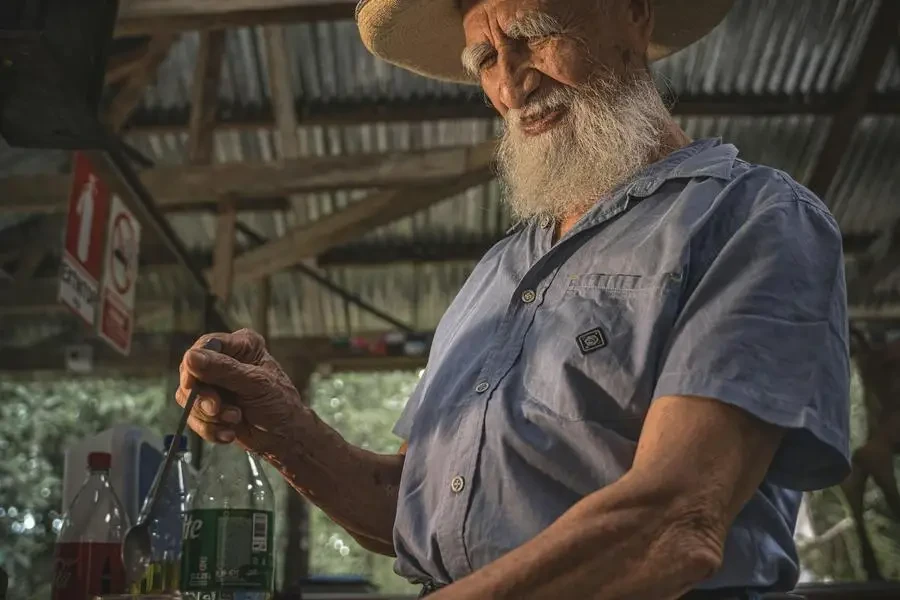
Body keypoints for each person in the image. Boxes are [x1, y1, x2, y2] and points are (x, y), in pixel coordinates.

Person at [176, 0, 851, 598]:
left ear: (634, 15)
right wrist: (285, 432)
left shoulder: (753, 216)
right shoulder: (503, 267)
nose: (510, 81)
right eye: (486, 56)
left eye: (537, 33)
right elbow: (417, 512)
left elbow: (675, 522)